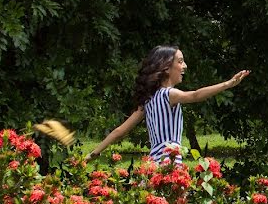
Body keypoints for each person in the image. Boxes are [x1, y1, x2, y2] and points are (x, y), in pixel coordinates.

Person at [85, 46, 249, 162]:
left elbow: (119, 131)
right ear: (166, 67)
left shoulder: (148, 100)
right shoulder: (169, 94)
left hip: (153, 162)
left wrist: (92, 154)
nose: (184, 66)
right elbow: (195, 95)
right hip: (169, 161)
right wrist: (228, 84)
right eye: (180, 61)